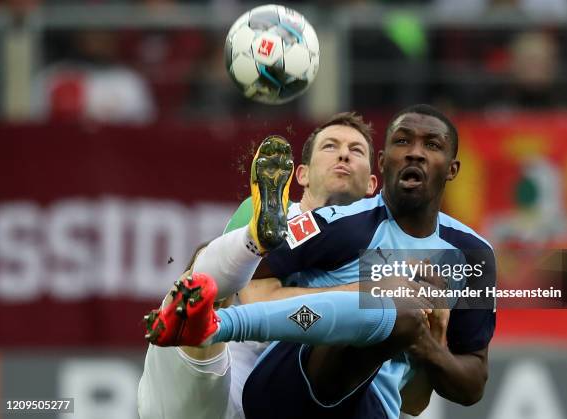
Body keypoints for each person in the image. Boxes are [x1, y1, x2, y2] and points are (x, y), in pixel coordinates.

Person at [145, 104, 495, 419]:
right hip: (284, 390)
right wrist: (365, 291)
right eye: (403, 142)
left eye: (431, 145)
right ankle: (213, 322)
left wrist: (428, 343)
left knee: (399, 314)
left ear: (452, 168)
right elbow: (252, 279)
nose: (415, 154)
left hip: (372, 409)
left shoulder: (472, 256)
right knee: (394, 300)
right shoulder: (334, 222)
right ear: (384, 161)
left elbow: (464, 387)